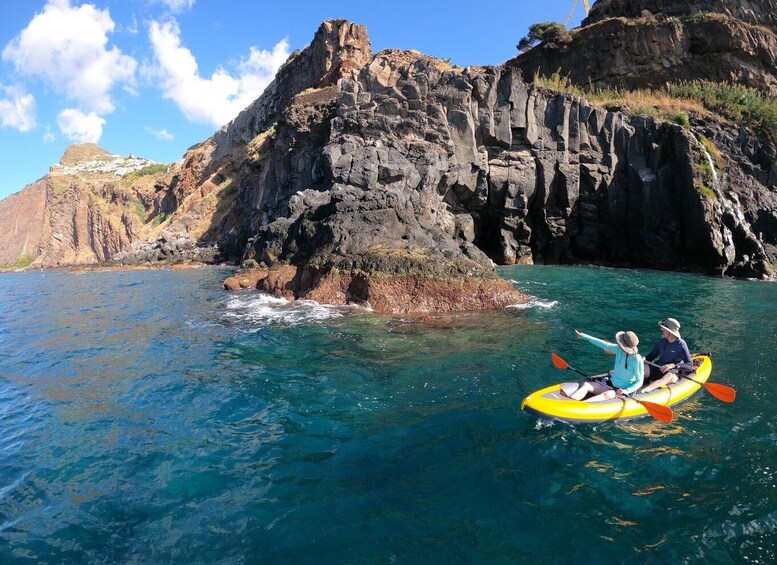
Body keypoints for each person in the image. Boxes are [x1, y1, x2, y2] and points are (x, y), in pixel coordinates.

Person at [563, 330, 644, 402]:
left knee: (606, 395)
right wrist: (584, 336)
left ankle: (580, 408)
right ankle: (569, 403)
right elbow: (604, 344)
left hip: (622, 390)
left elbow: (639, 382)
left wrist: (626, 391)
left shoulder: (637, 360)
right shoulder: (618, 349)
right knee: (586, 385)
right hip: (610, 383)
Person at [640, 317, 693, 393]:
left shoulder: (681, 345)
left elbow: (689, 366)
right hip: (658, 368)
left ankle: (644, 391)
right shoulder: (661, 342)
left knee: (669, 376)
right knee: (642, 368)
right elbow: (651, 356)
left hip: (672, 372)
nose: (661, 330)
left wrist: (673, 365)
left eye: (663, 328)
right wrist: (642, 359)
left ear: (669, 332)